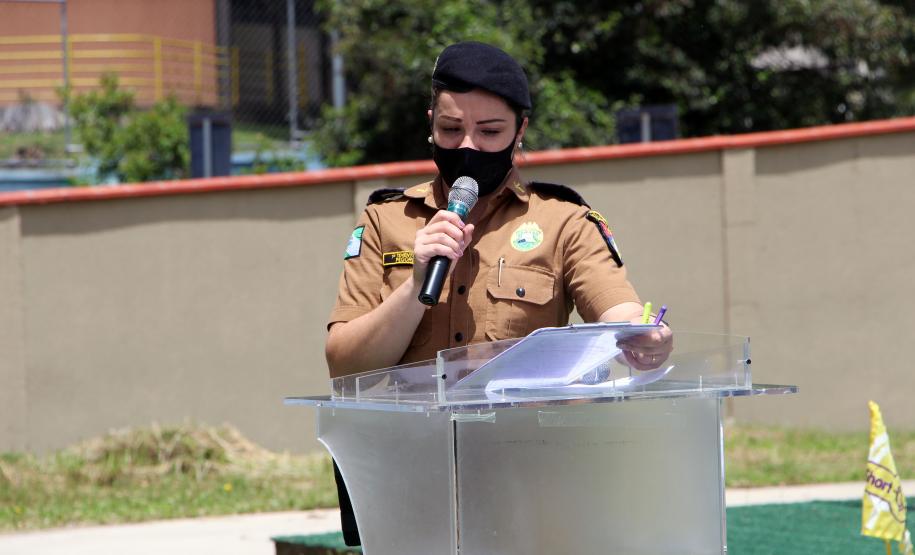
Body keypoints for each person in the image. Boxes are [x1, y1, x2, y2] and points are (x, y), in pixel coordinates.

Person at [325, 41, 671, 378]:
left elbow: (617, 310)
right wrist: (414, 288)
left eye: (490, 131)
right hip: (419, 434)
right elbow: (344, 366)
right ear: (431, 124)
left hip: (524, 435)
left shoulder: (563, 221)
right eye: (451, 128)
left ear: (520, 130)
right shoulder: (385, 220)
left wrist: (646, 335)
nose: (468, 145)